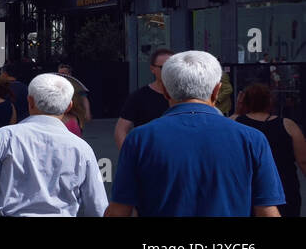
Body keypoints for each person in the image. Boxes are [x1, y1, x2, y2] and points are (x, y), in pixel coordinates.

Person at [107, 51, 284, 217]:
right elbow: (266, 210)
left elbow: (119, 211)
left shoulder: (140, 139)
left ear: (167, 92)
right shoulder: (252, 139)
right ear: (216, 91)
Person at [0, 73, 108, 217]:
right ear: (69, 106)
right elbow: (97, 204)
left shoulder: (6, 137)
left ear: (30, 101)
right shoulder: (81, 148)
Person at [234, 83, 306, 217]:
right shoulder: (288, 125)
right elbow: (303, 161)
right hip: (284, 188)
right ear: (270, 101)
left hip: (245, 187)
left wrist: (238, 110)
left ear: (245, 102)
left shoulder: (234, 123)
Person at [114, 48, 173, 148]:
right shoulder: (139, 96)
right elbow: (120, 130)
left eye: (172, 66)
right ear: (152, 69)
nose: (168, 70)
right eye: (163, 67)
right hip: (149, 154)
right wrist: (129, 156)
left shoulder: (183, 95)